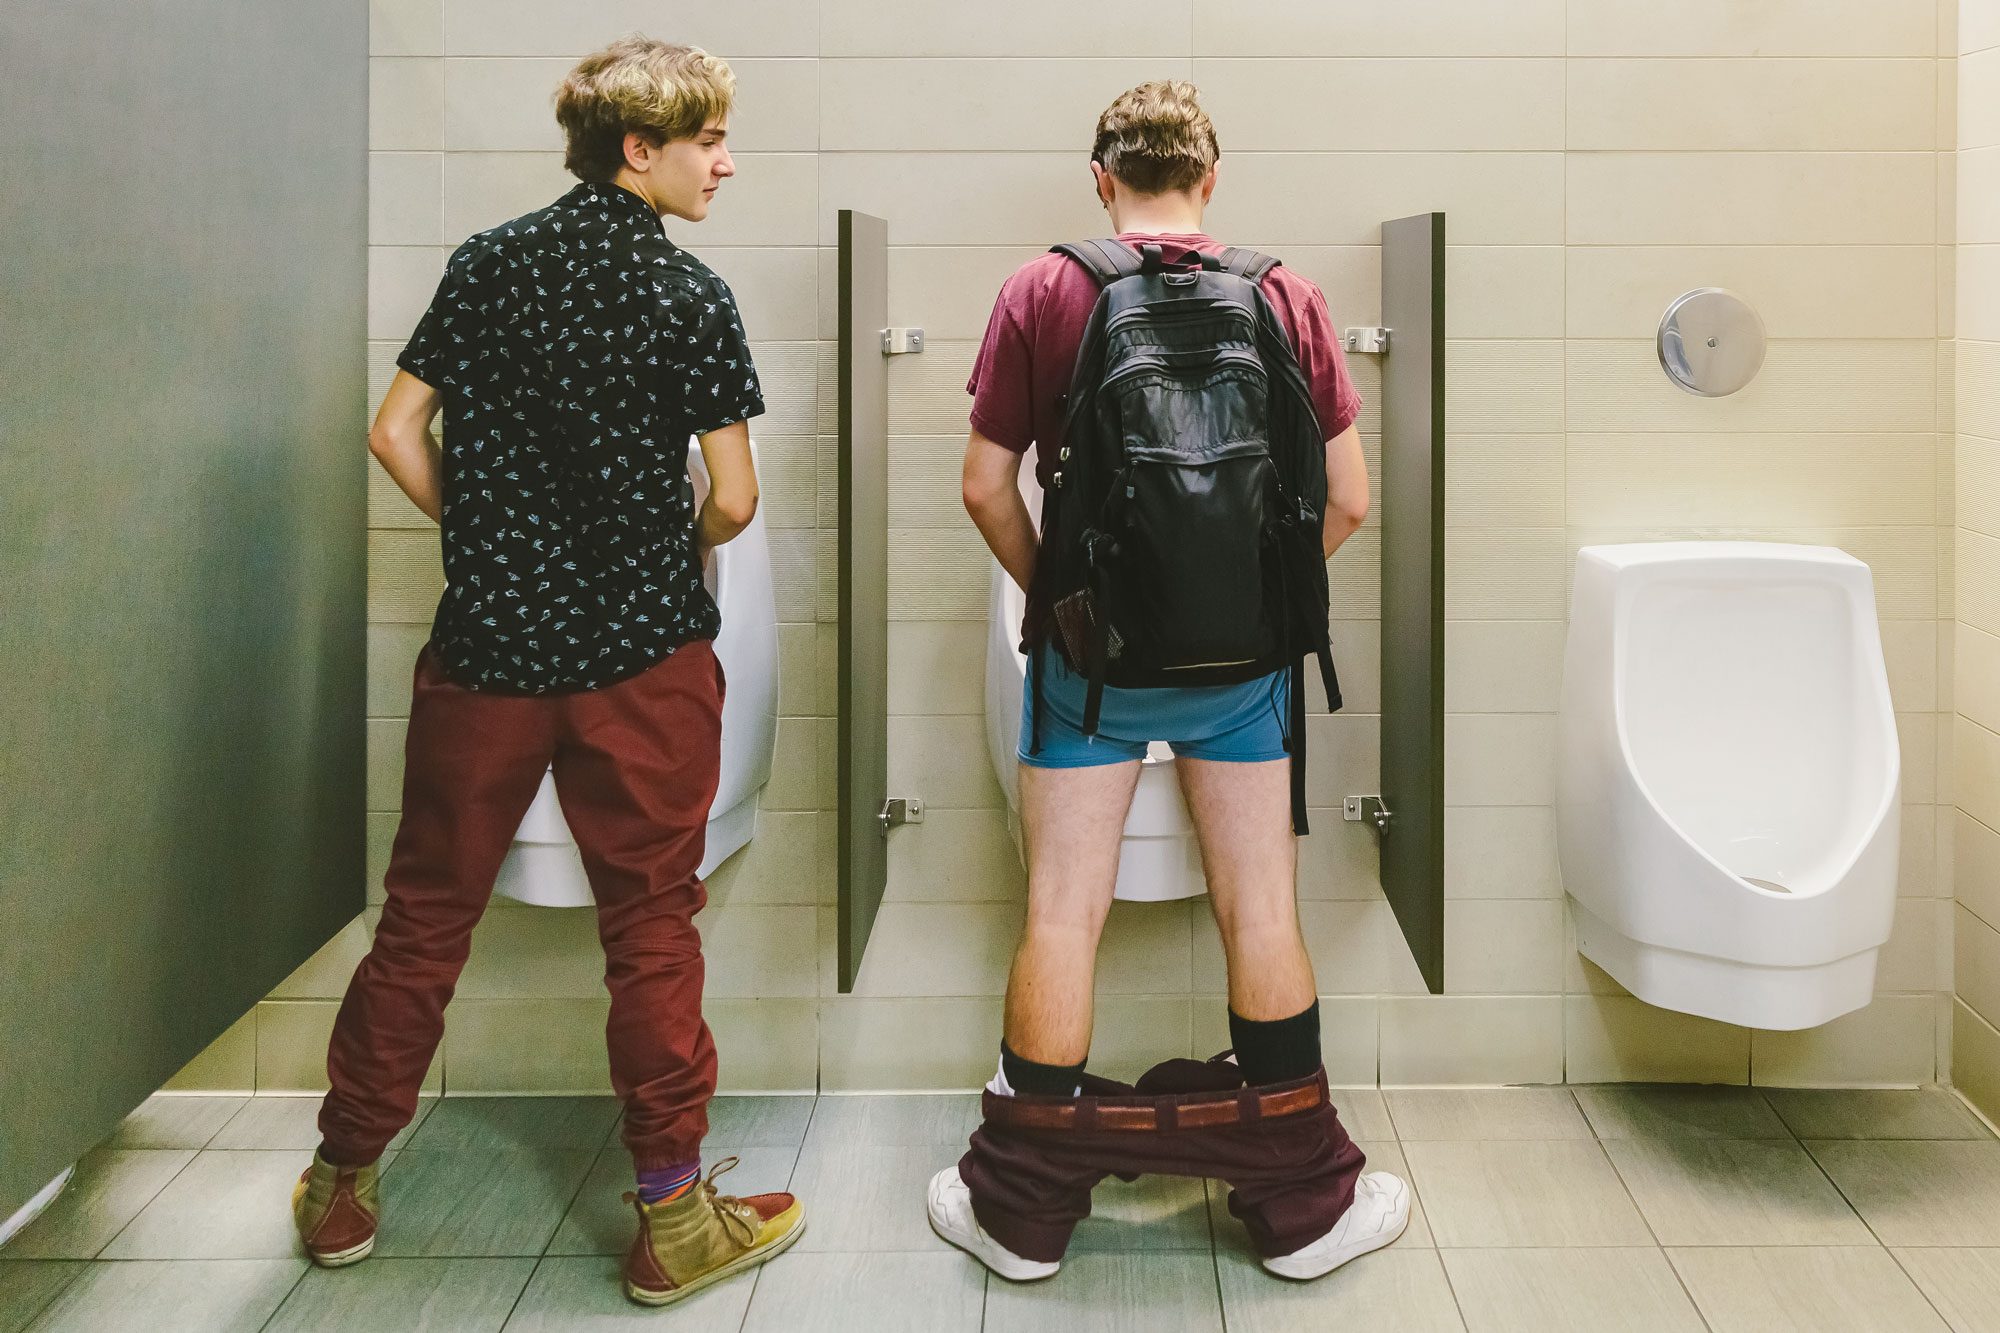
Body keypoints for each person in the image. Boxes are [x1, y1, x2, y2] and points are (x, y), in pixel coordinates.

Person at [289, 36, 803, 1307]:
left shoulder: (487, 263)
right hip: (640, 662)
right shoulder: (692, 297)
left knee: (423, 919)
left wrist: (483, 533)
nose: (725, 165)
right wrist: (647, 542)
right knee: (650, 930)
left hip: (490, 653)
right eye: (709, 143)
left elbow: (391, 430)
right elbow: (734, 501)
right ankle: (675, 1216)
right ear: (641, 149)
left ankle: (341, 1176)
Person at [927, 80, 1408, 1282]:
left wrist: (1068, 609)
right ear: (1210, 175)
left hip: (1089, 678)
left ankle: (1024, 1217)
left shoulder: (1043, 287)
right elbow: (1346, 498)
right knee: (1260, 911)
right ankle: (1302, 1210)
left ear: (1102, 177)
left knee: (1058, 914)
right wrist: (1253, 608)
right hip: (1241, 676)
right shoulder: (1284, 290)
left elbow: (987, 486)